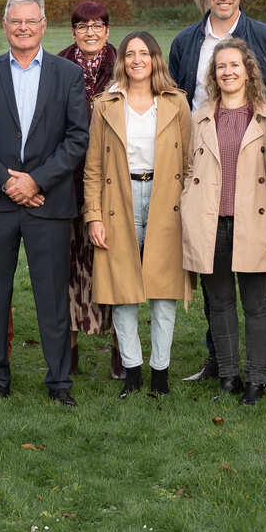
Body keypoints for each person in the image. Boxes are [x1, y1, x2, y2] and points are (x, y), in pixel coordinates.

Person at [167, 0, 266, 385]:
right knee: (217, 285)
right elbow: (174, 99)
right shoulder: (188, 42)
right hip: (206, 170)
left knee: (263, 286)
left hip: (259, 177)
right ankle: (219, 360)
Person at [0, 0, 92, 405]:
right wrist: (7, 182)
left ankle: (59, 382)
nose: (22, 28)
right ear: (4, 26)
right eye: (15, 21)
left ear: (43, 25)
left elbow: (77, 139)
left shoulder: (67, 74)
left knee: (52, 297)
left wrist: (36, 181)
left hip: (48, 204)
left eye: (30, 21)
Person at [84, 31, 191, 397]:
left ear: (155, 59)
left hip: (166, 200)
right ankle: (132, 371)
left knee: (164, 293)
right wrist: (94, 216)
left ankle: (160, 373)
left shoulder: (177, 102)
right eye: (130, 54)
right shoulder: (107, 105)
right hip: (119, 200)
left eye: (144, 53)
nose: (137, 60)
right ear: (123, 61)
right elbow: (93, 167)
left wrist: (189, 212)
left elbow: (191, 163)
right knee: (123, 290)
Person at [181, 39, 266, 404]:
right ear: (214, 74)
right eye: (221, 66)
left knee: (257, 304)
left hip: (254, 222)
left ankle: (256, 380)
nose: (228, 71)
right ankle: (228, 376)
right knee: (219, 303)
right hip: (212, 222)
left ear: (248, 70)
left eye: (234, 65)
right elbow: (188, 166)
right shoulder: (201, 116)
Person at [56, 0, 118, 377]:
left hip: (112, 180)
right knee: (66, 268)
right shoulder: (60, 66)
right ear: (73, 31)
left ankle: (120, 351)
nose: (90, 33)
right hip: (67, 179)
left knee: (113, 263)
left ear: (107, 31)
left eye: (97, 26)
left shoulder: (126, 64)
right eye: (83, 26)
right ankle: (70, 351)